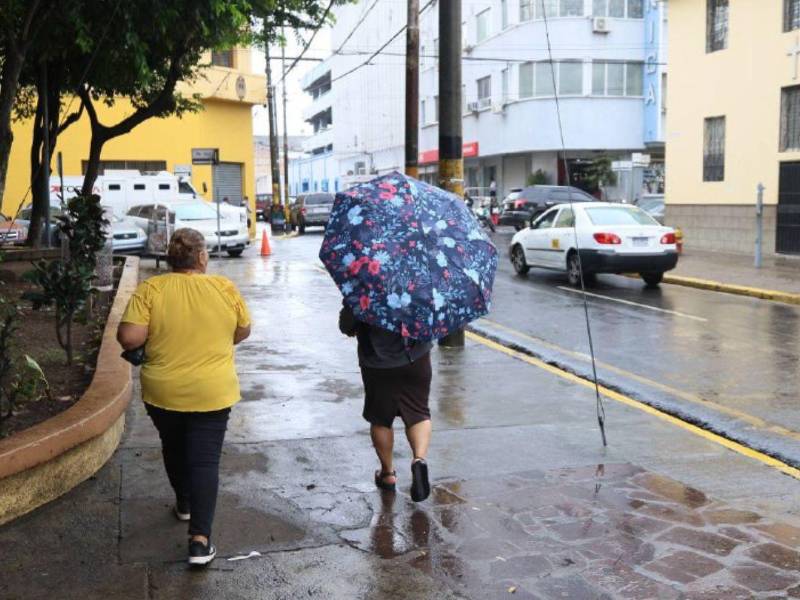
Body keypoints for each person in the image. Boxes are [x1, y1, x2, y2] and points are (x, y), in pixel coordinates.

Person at [117, 228, 251, 567]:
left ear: (170, 258)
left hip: (163, 392)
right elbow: (242, 330)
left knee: (173, 448)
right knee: (205, 462)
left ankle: (184, 502)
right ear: (202, 257)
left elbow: (130, 338)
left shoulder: (152, 289)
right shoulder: (224, 288)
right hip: (213, 390)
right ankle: (199, 541)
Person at [339, 303, 434, 502]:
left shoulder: (363, 283)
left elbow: (346, 325)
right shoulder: (418, 279)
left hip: (378, 362)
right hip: (416, 355)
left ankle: (387, 474)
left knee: (381, 418)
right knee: (418, 412)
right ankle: (419, 459)